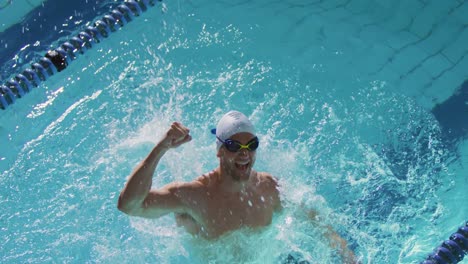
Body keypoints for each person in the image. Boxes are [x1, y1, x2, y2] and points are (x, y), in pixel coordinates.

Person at [117, 110, 357, 263]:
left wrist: (349, 257)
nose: (244, 154)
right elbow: (129, 205)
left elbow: (314, 220)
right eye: (234, 146)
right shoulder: (193, 196)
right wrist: (161, 148)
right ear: (219, 150)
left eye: (251, 145)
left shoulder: (268, 188)